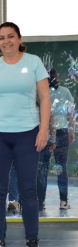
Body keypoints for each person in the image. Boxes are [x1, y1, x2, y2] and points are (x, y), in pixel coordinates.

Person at [0, 22, 50, 247]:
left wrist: (43, 130)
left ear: (19, 39)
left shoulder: (34, 62)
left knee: (28, 190)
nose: (6, 41)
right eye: (1, 37)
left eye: (11, 36)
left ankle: (32, 242)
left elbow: (44, 98)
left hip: (28, 134)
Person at [37, 68, 75, 210]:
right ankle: (63, 202)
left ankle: (41, 202)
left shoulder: (41, 92)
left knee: (43, 168)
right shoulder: (65, 91)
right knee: (61, 167)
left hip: (45, 132)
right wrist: (72, 132)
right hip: (63, 132)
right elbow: (70, 114)